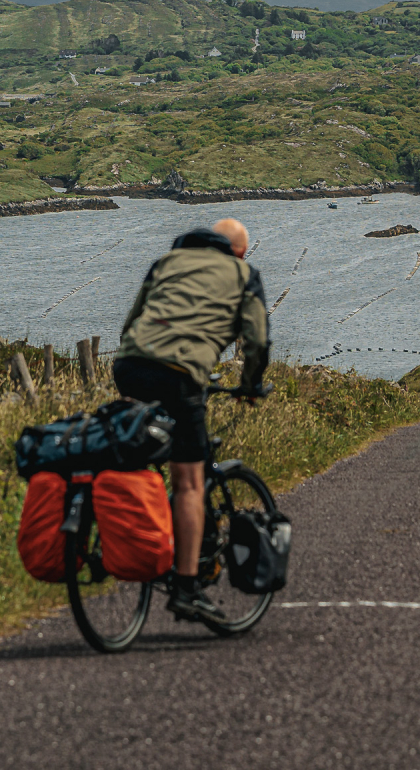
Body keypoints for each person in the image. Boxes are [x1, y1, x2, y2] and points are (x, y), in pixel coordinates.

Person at [114, 218, 270, 623]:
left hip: (129, 366)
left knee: (135, 450)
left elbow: (131, 324)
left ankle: (128, 536)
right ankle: (186, 589)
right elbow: (256, 340)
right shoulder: (243, 273)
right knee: (189, 481)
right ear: (239, 251)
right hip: (180, 374)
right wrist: (251, 385)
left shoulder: (165, 262)